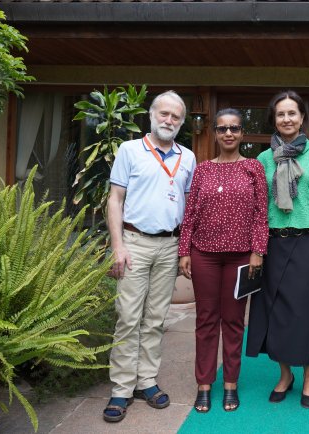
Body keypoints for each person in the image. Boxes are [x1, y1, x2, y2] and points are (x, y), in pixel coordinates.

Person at [102, 90, 196, 423]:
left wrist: (185, 249)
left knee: (155, 318)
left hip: (169, 246)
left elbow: (188, 207)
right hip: (135, 243)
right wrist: (118, 245)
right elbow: (115, 199)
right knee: (128, 317)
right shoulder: (130, 150)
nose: (169, 120)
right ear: (152, 115)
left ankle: (146, 381)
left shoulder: (188, 156)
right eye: (164, 114)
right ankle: (121, 389)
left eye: (176, 116)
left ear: (181, 122)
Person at [245, 90, 309, 409]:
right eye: (281, 114)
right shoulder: (262, 160)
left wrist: (304, 225)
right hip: (270, 241)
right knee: (273, 309)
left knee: (301, 310)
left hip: (304, 240)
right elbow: (258, 205)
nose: (286, 119)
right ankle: (285, 374)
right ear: (274, 119)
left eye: (292, 113)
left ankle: (308, 375)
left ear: (302, 117)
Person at [178, 108, 269, 413]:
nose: (228, 133)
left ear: (242, 133)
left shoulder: (253, 168)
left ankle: (231, 383)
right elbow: (189, 214)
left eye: (234, 128)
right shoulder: (203, 170)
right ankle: (204, 384)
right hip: (204, 254)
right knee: (205, 320)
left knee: (232, 321)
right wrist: (184, 251)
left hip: (241, 257)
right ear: (215, 134)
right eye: (222, 129)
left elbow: (261, 214)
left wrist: (258, 251)